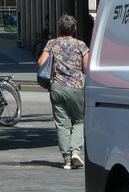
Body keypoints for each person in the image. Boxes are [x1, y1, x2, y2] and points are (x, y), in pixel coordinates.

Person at [38, 14, 90, 170]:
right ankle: (75, 151)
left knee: (62, 124)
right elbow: (87, 68)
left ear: (59, 29)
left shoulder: (52, 43)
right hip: (76, 87)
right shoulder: (81, 45)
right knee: (80, 120)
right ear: (74, 29)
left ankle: (67, 160)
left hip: (57, 87)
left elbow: (41, 62)